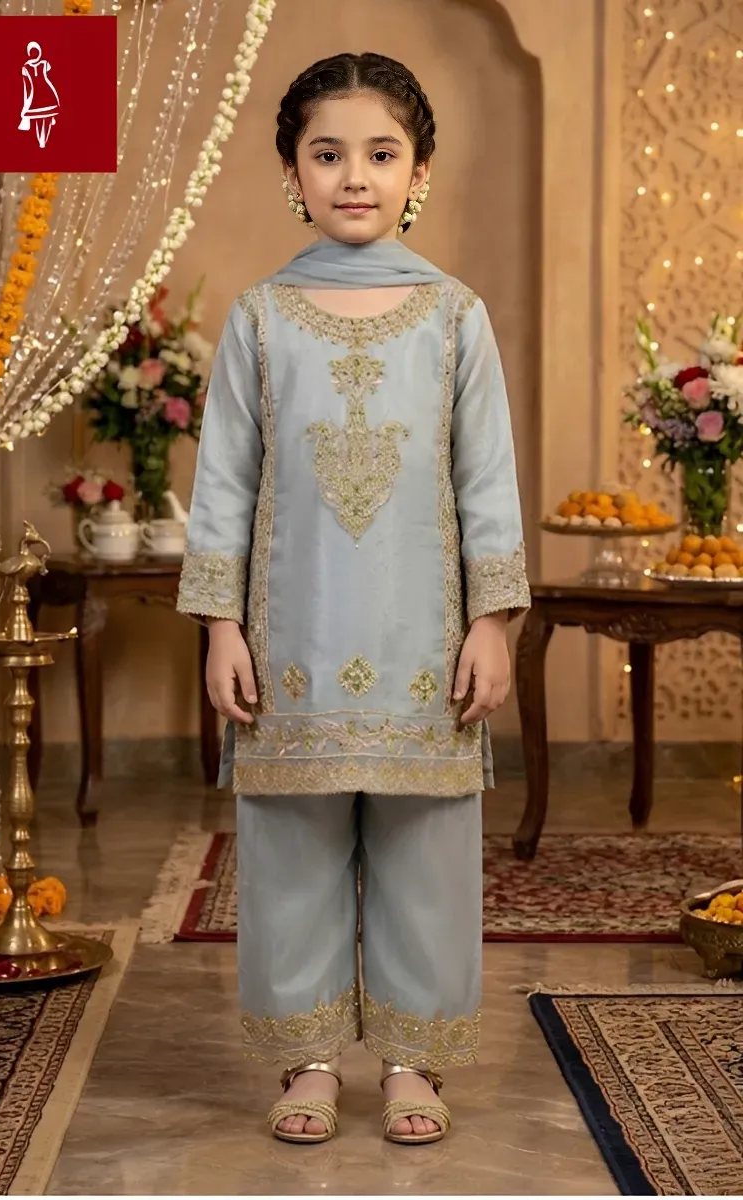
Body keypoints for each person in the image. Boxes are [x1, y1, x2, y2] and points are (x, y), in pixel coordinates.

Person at [177, 51, 530, 1145]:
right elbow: (224, 484)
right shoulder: (261, 318)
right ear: (292, 171)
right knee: (290, 851)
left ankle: (416, 1062)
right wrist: (221, 628)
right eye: (326, 155)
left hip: (426, 644)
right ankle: (311, 1058)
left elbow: (486, 482)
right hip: (291, 639)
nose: (354, 177)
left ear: (418, 172)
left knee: (426, 854)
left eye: (380, 154)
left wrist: (491, 624)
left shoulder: (453, 316)